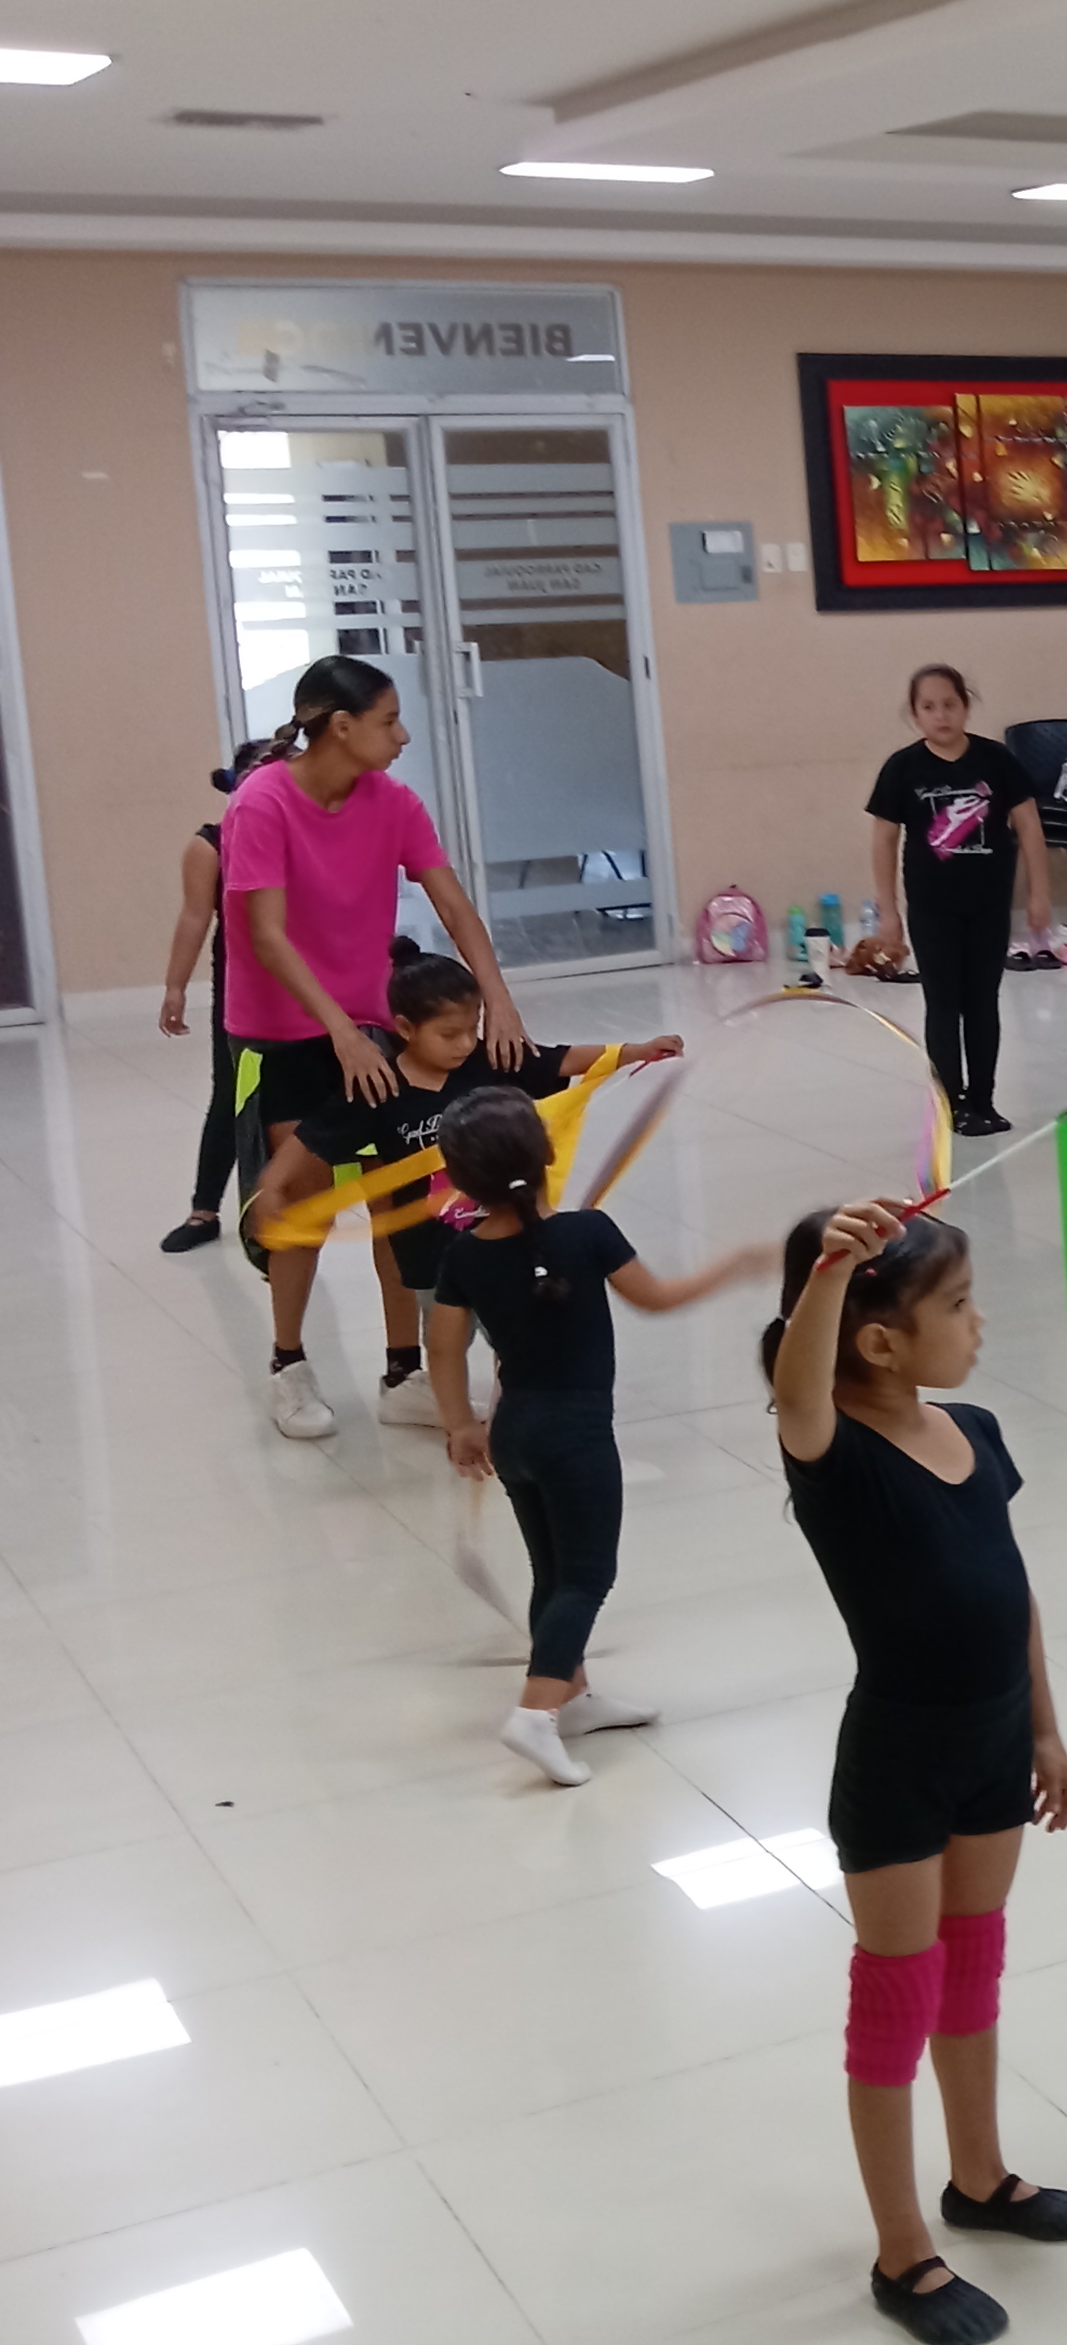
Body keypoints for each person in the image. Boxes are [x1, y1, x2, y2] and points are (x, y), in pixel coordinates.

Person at [765, 1197, 1067, 2345]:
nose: (978, 1320)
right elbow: (797, 1391)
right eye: (956, 1305)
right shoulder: (833, 1451)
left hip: (996, 1744)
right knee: (895, 2002)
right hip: (899, 1764)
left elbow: (1012, 1590)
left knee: (972, 1972)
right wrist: (829, 1272)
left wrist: (1046, 1729)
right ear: (878, 1339)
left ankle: (981, 2176)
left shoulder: (976, 1428)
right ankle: (902, 2248)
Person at [224, 657, 529, 1440]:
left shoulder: (394, 802)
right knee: (302, 1206)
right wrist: (336, 1030)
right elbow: (266, 935)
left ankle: (404, 1375)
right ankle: (288, 1366)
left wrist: (497, 998)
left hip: (370, 1025)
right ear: (340, 726)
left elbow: (452, 904)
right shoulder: (261, 802)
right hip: (282, 1032)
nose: (403, 736)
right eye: (389, 721)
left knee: (400, 1198)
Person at [424, 1089, 751, 1783]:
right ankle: (535, 1714)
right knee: (587, 1575)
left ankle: (570, 1696)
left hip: (514, 1434)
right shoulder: (589, 1233)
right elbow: (657, 1299)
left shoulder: (462, 1256)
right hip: (575, 1437)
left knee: (552, 1571)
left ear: (458, 1178)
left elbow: (443, 1348)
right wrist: (733, 1267)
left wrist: (459, 1425)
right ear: (548, 1155)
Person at [297, 949, 680, 1427]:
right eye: (449, 1034)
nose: (464, 1043)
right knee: (446, 1343)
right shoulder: (382, 1087)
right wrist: (274, 1189)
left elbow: (559, 1060)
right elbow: (314, 1139)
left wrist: (634, 1051)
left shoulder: (488, 1059)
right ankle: (445, 1410)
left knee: (514, 1336)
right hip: (430, 1256)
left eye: (471, 1028)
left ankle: (512, 1412)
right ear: (406, 1028)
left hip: (505, 1238)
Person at [864, 665, 1051, 1138]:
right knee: (943, 1003)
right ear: (915, 714)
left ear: (966, 707)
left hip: (988, 905)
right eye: (928, 707)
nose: (941, 715)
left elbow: (1029, 828)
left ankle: (983, 1101)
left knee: (983, 1002)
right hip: (932, 908)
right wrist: (888, 911)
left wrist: (1039, 895)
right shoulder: (902, 768)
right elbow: (883, 840)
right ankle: (950, 1102)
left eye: (949, 704)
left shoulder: (997, 761)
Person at [158, 746, 285, 1253]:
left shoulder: (304, 833)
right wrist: (175, 986)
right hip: (243, 983)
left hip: (309, 981)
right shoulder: (211, 844)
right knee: (232, 1091)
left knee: (303, 1092)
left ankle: (288, 1199)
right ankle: (204, 1210)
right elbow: (194, 917)